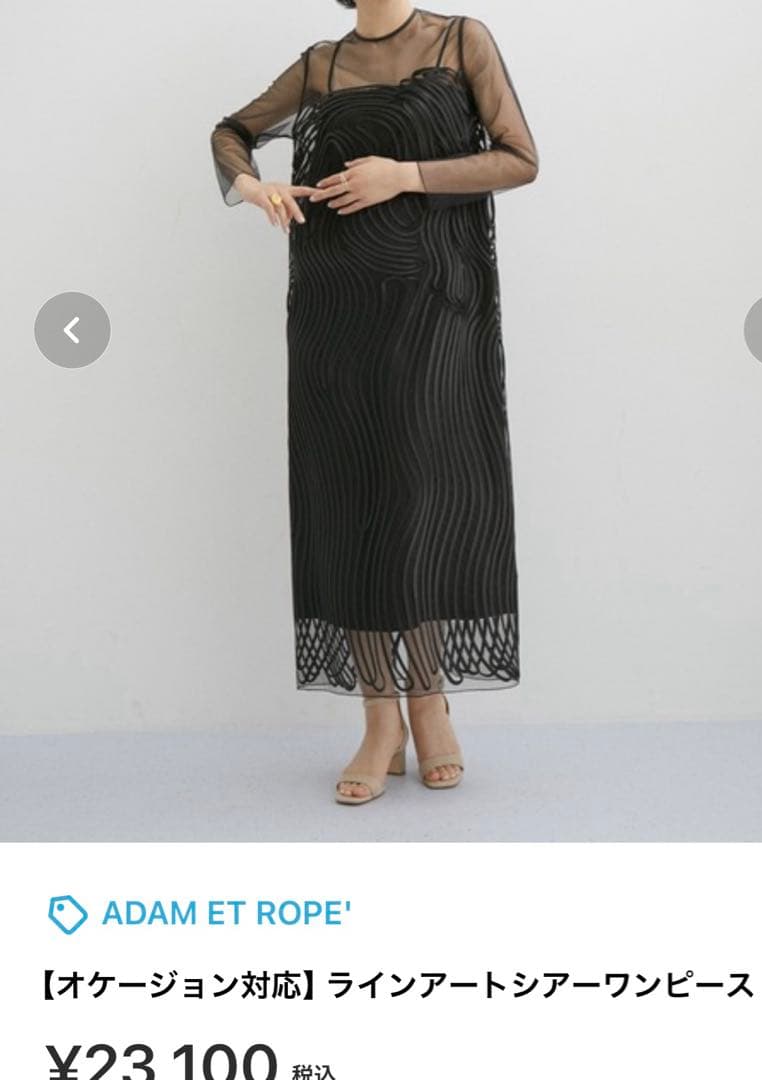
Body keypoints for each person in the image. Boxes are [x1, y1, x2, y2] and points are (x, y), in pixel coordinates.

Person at [210, 1, 539, 805]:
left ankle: (428, 704)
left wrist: (406, 174)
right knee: (352, 503)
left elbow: (518, 159)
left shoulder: (460, 40)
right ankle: (378, 716)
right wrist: (253, 187)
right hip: (334, 310)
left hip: (435, 310)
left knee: (420, 501)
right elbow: (231, 132)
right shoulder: (321, 63)